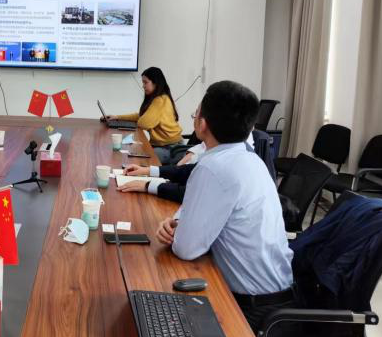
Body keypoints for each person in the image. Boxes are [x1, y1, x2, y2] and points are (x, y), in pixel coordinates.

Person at [154, 81, 294, 333]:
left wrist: (179, 231)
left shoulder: (213, 167)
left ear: (202, 125)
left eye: (196, 113)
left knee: (157, 306)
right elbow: (199, 211)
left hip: (252, 310)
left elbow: (186, 249)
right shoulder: (250, 159)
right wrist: (178, 223)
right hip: (279, 298)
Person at [118, 131, 255, 201]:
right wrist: (147, 170)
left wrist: (147, 185)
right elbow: (188, 171)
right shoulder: (238, 153)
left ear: (203, 124)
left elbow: (189, 193)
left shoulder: (219, 162)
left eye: (196, 115)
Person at [103, 67, 182, 164]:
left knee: (138, 159)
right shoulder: (160, 98)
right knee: (134, 152)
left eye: (145, 82)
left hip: (170, 148)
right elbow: (141, 116)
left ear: (155, 83)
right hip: (163, 145)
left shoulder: (160, 100)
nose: (143, 86)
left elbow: (143, 123)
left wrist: (140, 119)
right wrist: (117, 117)